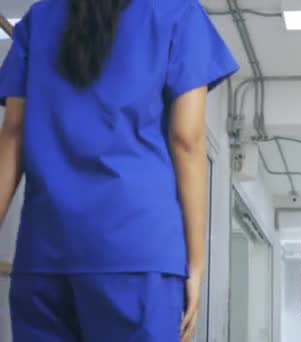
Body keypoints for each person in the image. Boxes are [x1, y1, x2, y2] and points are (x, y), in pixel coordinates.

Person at [0, 0, 238, 341]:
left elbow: (12, 133)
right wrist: (196, 266)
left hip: (45, 251)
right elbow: (187, 139)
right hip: (137, 250)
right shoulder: (176, 13)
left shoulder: (40, 17)